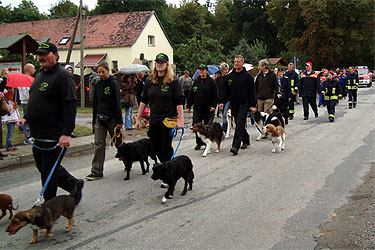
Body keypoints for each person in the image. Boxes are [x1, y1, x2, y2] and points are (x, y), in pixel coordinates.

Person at [17, 42, 83, 204]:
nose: (41, 57)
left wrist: (66, 133)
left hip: (54, 135)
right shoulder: (40, 76)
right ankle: (74, 184)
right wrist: (25, 117)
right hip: (38, 134)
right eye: (39, 54)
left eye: (45, 54)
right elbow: (34, 100)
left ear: (55, 55)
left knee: (48, 172)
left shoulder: (63, 76)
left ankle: (49, 206)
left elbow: (69, 105)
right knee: (44, 168)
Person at [135, 53, 184, 163]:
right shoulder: (150, 80)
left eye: (162, 62)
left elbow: (179, 102)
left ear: (167, 65)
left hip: (168, 119)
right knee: (155, 146)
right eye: (157, 62)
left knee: (165, 147)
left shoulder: (174, 81)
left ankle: (168, 171)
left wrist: (181, 120)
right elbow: (144, 100)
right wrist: (138, 118)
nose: (159, 64)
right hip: (154, 119)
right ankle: (167, 165)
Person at [86, 62, 123, 181]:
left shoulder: (113, 83)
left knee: (118, 142)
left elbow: (117, 102)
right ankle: (96, 171)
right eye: (99, 72)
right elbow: (95, 103)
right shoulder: (98, 84)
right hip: (99, 118)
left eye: (103, 71)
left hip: (112, 118)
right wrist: (94, 120)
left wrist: (119, 121)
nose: (101, 74)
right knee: (99, 144)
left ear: (108, 70)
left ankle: (127, 160)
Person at [219, 55, 257, 156]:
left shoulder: (247, 77)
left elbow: (252, 92)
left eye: (238, 62)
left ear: (242, 63)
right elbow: (225, 90)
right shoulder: (230, 76)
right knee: (238, 122)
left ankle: (235, 146)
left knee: (240, 123)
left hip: (244, 104)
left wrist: (253, 105)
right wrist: (222, 101)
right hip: (233, 103)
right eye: (235, 61)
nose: (236, 63)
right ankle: (246, 139)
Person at [186, 64, 218, 150]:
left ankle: (208, 142)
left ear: (206, 71)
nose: (201, 71)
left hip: (208, 108)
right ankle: (199, 142)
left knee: (207, 126)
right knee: (196, 124)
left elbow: (215, 95)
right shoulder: (196, 81)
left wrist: (213, 106)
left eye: (203, 70)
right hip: (197, 107)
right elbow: (191, 94)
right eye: (200, 70)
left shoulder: (211, 82)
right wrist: (189, 106)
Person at [215, 62, 230, 132]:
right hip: (220, 99)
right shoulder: (218, 79)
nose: (226, 71)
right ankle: (225, 127)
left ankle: (224, 129)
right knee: (222, 113)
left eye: (227, 70)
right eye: (225, 70)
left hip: (228, 99)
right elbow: (217, 90)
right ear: (221, 71)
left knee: (225, 114)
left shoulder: (229, 78)